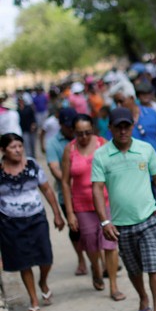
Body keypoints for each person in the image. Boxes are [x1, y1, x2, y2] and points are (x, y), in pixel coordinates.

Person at [92, 107, 156, 311]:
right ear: (110, 128)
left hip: (148, 218)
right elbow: (97, 189)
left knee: (154, 266)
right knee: (133, 269)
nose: (123, 130)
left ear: (132, 126)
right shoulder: (101, 155)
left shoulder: (145, 149)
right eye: (118, 126)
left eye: (127, 126)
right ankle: (143, 297)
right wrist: (104, 221)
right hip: (120, 224)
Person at [60, 114, 124, 301]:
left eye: (88, 132)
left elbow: (115, 172)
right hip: (82, 205)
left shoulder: (103, 144)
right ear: (73, 133)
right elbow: (65, 182)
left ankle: (113, 286)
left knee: (110, 243)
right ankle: (96, 268)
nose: (84, 137)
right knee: (90, 242)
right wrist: (70, 213)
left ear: (93, 130)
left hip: (105, 202)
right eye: (80, 133)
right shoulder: (69, 149)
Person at [0, 133, 64, 311]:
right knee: (23, 262)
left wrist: (57, 214)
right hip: (10, 223)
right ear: (3, 150)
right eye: (13, 147)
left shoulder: (32, 165)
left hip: (36, 218)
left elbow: (47, 189)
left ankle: (43, 281)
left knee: (46, 257)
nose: (18, 150)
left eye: (20, 146)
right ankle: (34, 299)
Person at [109, 80, 156, 228]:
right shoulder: (117, 123)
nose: (118, 105)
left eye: (120, 101)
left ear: (131, 98)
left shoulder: (150, 113)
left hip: (155, 170)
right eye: (115, 102)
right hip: (133, 176)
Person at [46, 107, 88, 275]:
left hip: (88, 193)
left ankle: (102, 261)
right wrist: (69, 179)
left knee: (94, 229)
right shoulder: (53, 143)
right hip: (68, 196)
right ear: (61, 125)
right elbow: (54, 168)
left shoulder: (85, 138)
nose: (72, 130)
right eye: (69, 127)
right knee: (76, 230)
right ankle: (81, 259)